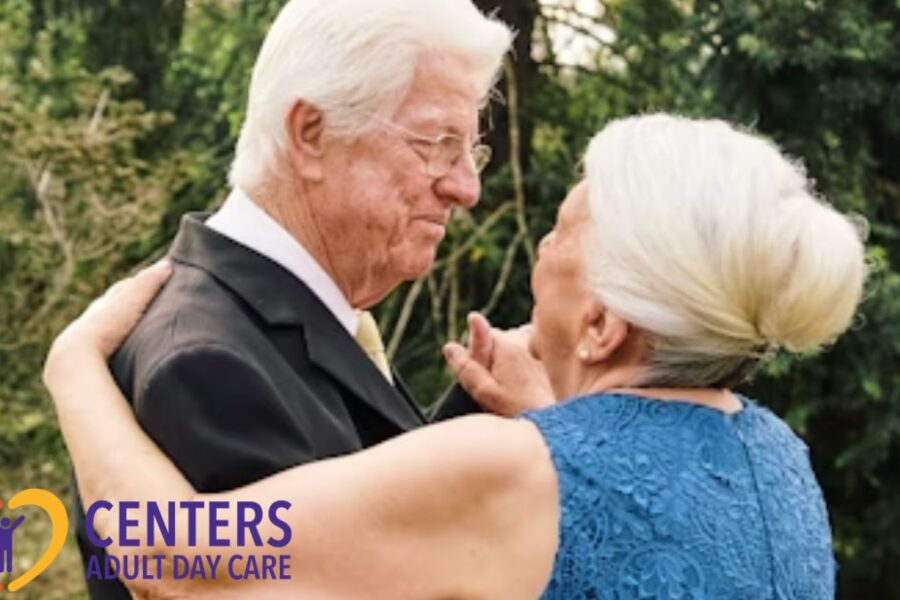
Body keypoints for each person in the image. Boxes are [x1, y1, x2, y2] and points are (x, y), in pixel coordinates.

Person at [46, 114, 866, 599]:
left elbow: (173, 555)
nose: (539, 249)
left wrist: (76, 363)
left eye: (557, 236)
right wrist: (561, 423)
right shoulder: (775, 456)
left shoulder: (512, 470)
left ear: (603, 326)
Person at [70, 1, 525, 598]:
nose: (466, 187)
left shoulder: (296, 315)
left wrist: (483, 424)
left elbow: (356, 525)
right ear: (311, 133)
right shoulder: (209, 367)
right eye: (437, 144)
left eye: (471, 151)